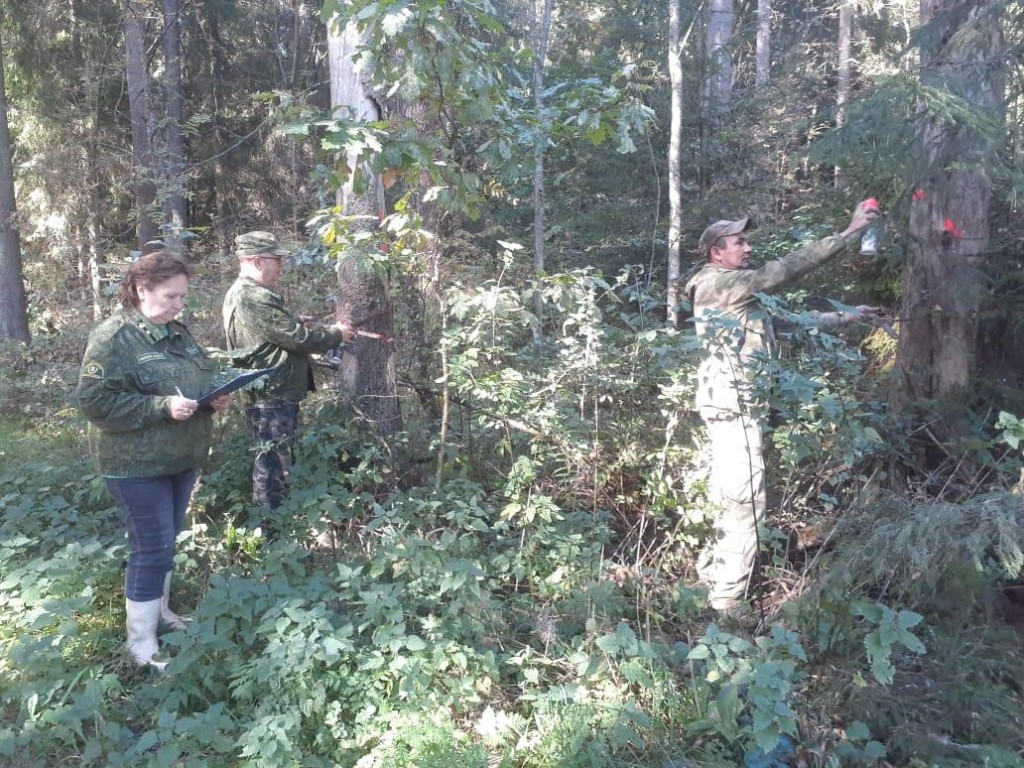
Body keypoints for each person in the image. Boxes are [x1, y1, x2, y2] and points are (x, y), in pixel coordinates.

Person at [684, 200, 881, 613]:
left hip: (743, 407)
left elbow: (789, 322)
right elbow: (786, 270)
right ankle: (726, 605)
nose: (747, 248)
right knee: (744, 501)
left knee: (733, 495)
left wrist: (846, 317)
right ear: (716, 252)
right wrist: (848, 234)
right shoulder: (717, 284)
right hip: (733, 407)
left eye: (746, 241)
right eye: (738, 242)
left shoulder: (737, 292)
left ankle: (714, 577)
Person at [76, 251, 229, 669]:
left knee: (166, 542)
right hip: (136, 466)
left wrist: (215, 394)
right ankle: (140, 645)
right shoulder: (114, 337)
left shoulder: (179, 332)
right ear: (142, 290)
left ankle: (160, 613)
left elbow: (198, 378)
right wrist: (161, 407)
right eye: (170, 296)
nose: (179, 305)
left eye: (183, 297)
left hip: (180, 458)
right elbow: (94, 402)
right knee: (152, 546)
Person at [222, 230, 355, 513]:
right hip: (271, 395)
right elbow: (299, 340)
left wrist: (292, 320)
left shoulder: (247, 294)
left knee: (275, 462)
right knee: (273, 468)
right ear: (257, 261)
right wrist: (337, 334)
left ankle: (272, 529)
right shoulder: (252, 296)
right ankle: (271, 533)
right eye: (276, 260)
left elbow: (269, 332)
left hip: (271, 393)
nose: (281, 266)